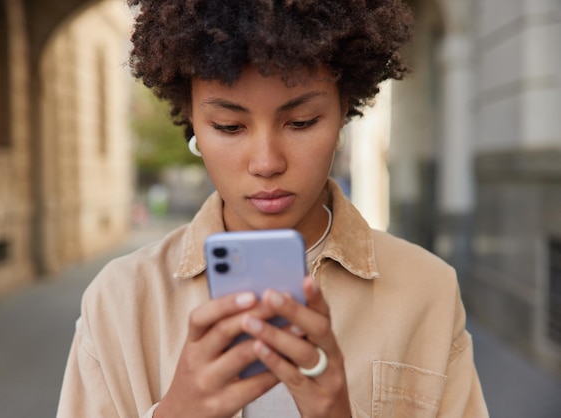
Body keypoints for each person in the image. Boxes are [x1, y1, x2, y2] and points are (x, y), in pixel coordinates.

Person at [57, 1, 488, 417]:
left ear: (343, 113)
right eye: (229, 127)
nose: (266, 163)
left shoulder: (427, 290)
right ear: (192, 123)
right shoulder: (118, 300)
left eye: (301, 122)